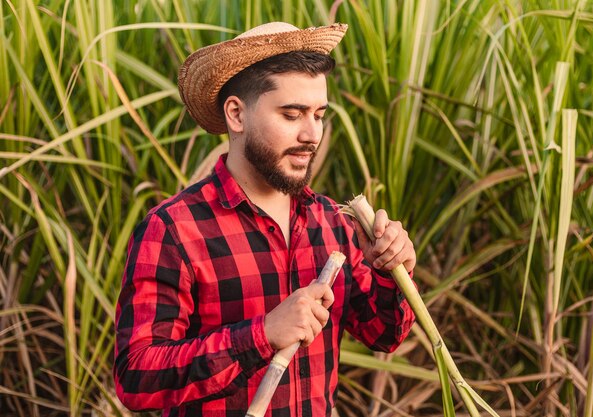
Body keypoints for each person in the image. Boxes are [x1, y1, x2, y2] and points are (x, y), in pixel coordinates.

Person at [114, 22, 416, 417]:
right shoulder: (174, 229)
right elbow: (136, 380)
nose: (312, 134)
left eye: (319, 115)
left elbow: (384, 334)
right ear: (237, 114)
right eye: (292, 115)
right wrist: (263, 334)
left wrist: (393, 272)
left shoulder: (331, 221)